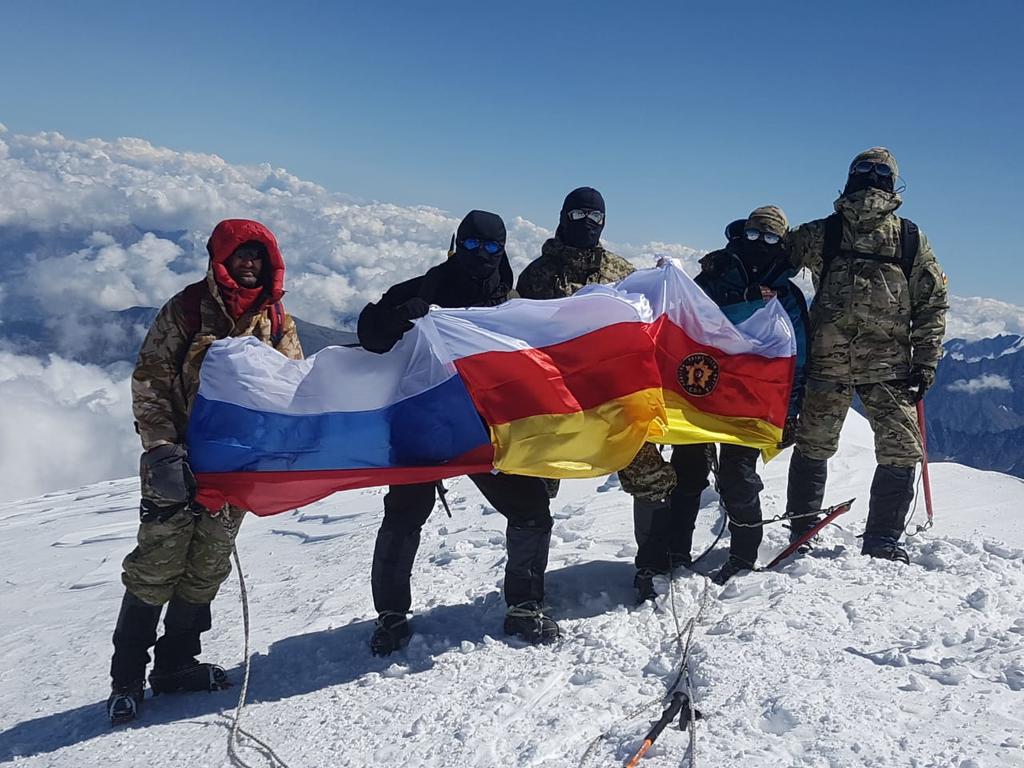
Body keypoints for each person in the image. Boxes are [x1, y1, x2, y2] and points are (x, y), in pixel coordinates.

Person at [107, 219, 304, 725]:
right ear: (221, 256)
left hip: (233, 467)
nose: (249, 263)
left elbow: (291, 383)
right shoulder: (187, 309)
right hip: (175, 462)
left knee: (207, 565)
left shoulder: (276, 318)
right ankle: (127, 679)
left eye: (258, 256)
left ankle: (176, 665)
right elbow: (151, 380)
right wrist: (162, 449)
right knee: (157, 566)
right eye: (241, 254)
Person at [357, 210, 558, 655]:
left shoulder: (511, 304)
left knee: (531, 511)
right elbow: (369, 335)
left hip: (483, 429)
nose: (480, 255)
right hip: (424, 427)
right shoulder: (421, 291)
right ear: (455, 244)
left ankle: (525, 606)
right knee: (405, 515)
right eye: (470, 245)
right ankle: (390, 617)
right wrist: (397, 318)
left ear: (502, 249)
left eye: (490, 247)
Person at [619, 206, 809, 592]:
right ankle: (675, 552)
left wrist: (789, 412)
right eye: (754, 235)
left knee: (737, 477)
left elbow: (797, 356)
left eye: (770, 238)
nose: (760, 244)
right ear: (742, 235)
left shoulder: (786, 294)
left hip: (751, 402)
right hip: (700, 392)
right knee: (688, 471)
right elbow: (688, 316)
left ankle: (743, 557)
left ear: (782, 243)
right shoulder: (715, 275)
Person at [785, 147, 948, 564]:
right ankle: (881, 540)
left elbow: (773, 255)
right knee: (895, 450)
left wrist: (926, 363)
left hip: (835, 361)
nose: (872, 179)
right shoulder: (906, 236)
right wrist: (925, 363)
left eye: (878, 172)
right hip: (886, 365)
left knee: (816, 445)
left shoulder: (829, 232)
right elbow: (932, 302)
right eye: (867, 170)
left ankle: (804, 528)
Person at [516, 186, 637, 498]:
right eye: (579, 214)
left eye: (595, 215)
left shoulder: (622, 272)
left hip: (611, 396)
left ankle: (655, 548)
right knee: (535, 490)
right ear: (564, 217)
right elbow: (516, 330)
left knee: (649, 479)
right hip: (551, 397)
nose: (587, 221)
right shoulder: (538, 274)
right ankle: (533, 541)